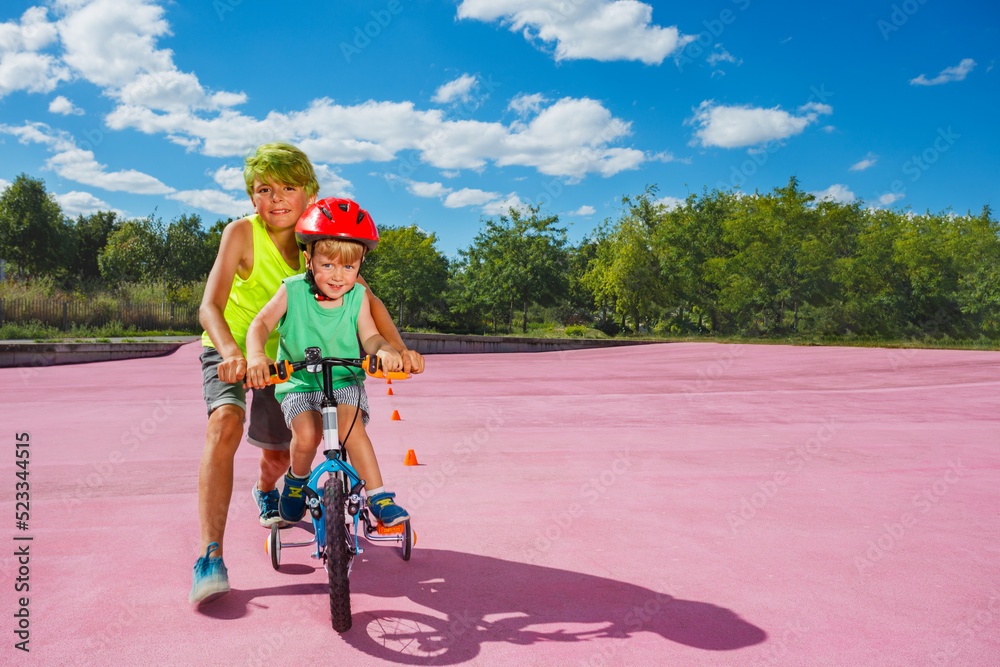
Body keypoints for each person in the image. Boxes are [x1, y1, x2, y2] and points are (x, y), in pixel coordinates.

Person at [192, 144, 423, 606]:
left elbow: (368, 302)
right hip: (241, 352)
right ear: (251, 196)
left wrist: (397, 350)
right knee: (225, 423)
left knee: (284, 456)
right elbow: (209, 306)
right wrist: (238, 354)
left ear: (310, 193)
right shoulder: (242, 233)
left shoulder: (324, 239)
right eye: (264, 189)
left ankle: (268, 489)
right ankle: (210, 555)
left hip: (299, 360)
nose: (277, 198)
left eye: (289, 188)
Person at [244, 197, 410, 530]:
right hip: (300, 383)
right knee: (305, 437)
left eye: (349, 267)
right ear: (309, 259)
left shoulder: (358, 298)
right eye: (328, 265)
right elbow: (260, 325)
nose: (338, 276)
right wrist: (258, 356)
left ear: (360, 265)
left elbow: (371, 337)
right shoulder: (291, 291)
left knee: (352, 431)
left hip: (345, 380)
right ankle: (295, 482)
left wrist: (386, 351)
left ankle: (378, 495)